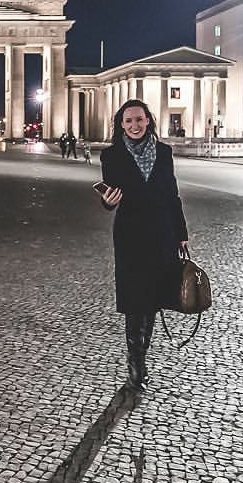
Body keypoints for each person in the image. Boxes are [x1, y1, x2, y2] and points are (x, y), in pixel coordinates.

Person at [97, 99, 189, 391]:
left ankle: (141, 355)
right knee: (136, 300)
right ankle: (136, 362)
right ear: (121, 125)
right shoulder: (111, 156)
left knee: (152, 300)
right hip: (131, 236)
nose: (134, 126)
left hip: (162, 233)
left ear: (148, 120)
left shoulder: (164, 153)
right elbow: (111, 195)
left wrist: (181, 232)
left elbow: (172, 194)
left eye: (139, 119)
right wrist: (106, 203)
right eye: (128, 121)